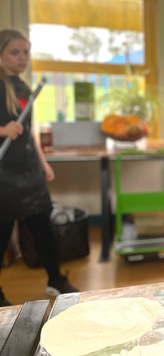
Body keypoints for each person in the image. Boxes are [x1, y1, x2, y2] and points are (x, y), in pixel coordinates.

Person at [0, 29, 78, 306]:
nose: (23, 58)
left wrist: (43, 163)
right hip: (4, 177)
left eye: (26, 52)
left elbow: (28, 132)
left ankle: (55, 279)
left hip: (29, 172)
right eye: (15, 52)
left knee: (44, 230)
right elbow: (10, 130)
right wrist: (1, 129)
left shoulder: (22, 87)